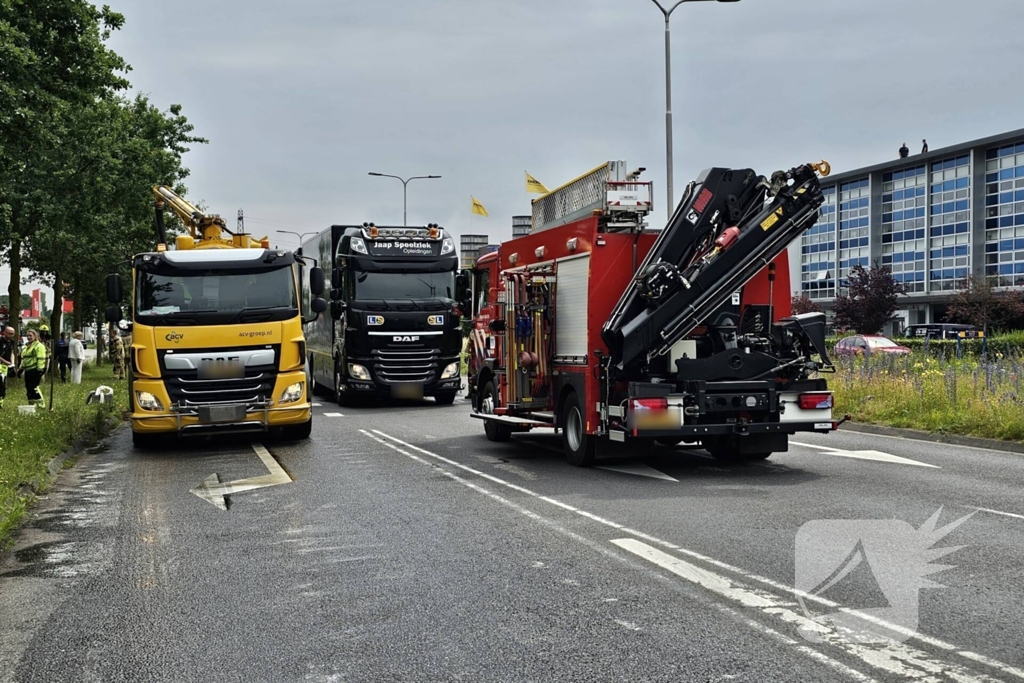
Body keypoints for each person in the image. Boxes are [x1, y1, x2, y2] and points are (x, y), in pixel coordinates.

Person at [19, 328, 48, 408]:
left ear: (35, 336)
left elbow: (41, 358)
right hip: (28, 371)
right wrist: (20, 369)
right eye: (27, 335)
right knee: (29, 389)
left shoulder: (39, 346)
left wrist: (40, 370)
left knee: (34, 388)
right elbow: (24, 359)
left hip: (35, 370)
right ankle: (31, 405)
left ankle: (41, 405)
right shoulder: (26, 347)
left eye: (30, 335)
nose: (28, 337)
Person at [0, 326, 15, 409]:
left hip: (5, 366)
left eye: (12, 334)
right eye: (9, 333)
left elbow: (12, 353)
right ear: (4, 332)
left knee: (3, 384)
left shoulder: (11, 341)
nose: (11, 335)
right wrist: (6, 362)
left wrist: (12, 363)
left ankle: (1, 402)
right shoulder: (0, 341)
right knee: (0, 384)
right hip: (1, 363)